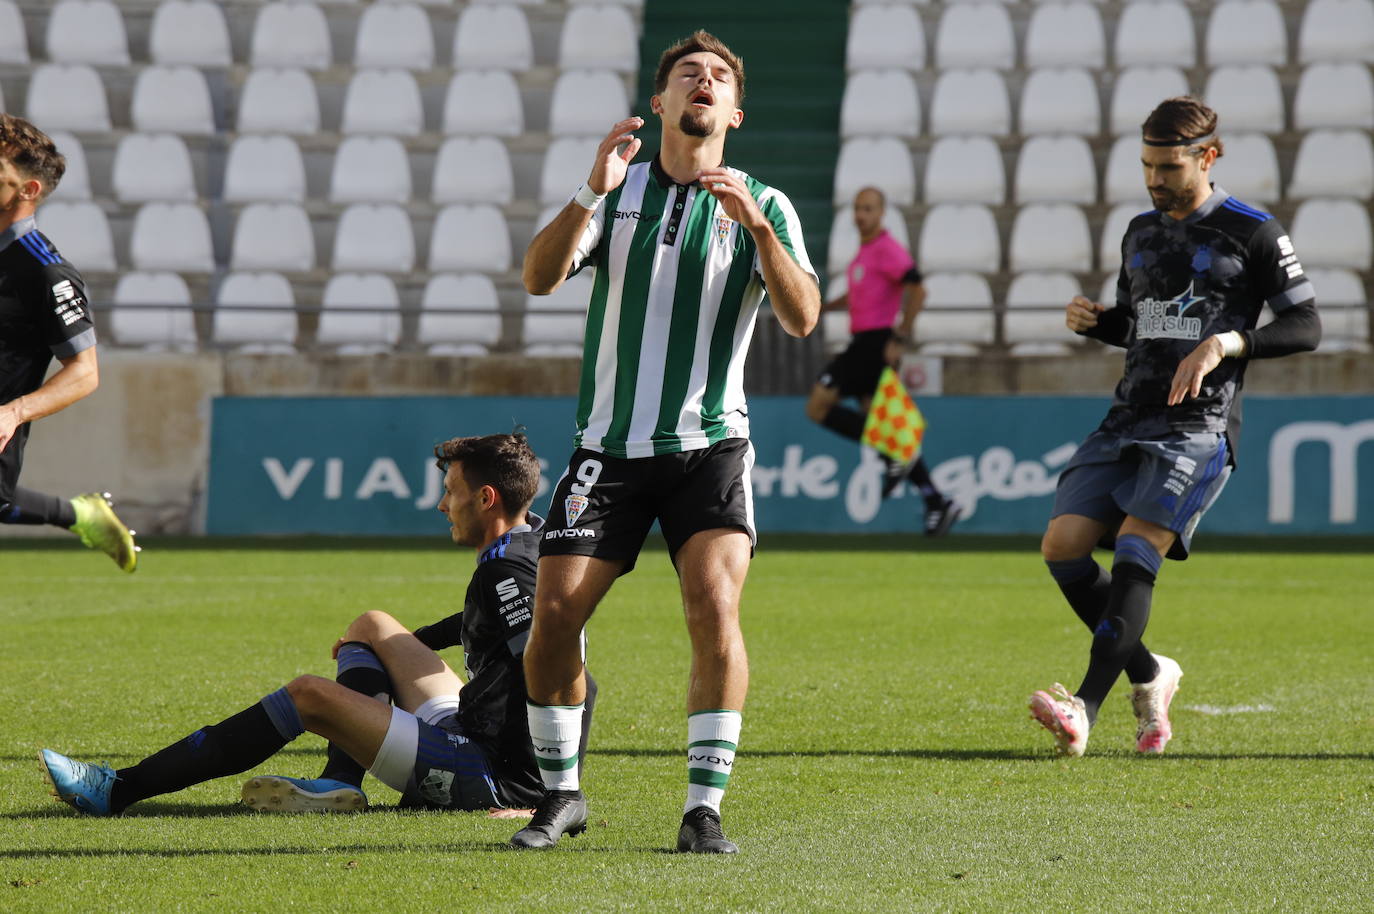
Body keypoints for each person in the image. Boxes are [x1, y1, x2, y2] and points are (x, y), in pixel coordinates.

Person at [513, 31, 820, 854]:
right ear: (661, 103)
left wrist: (758, 230)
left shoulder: (768, 201)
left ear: (736, 111)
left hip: (711, 447)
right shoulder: (616, 191)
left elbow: (801, 317)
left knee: (714, 607)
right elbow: (539, 277)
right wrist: (587, 189)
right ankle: (563, 794)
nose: (705, 83)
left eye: (719, 77)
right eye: (689, 74)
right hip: (607, 447)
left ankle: (702, 808)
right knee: (552, 618)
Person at [40, 433, 596, 816]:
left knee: (308, 695)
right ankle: (339, 782)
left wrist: (547, 793)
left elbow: (571, 674)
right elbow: (493, 626)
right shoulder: (529, 538)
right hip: (476, 732)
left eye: (449, 493)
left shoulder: (509, 572)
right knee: (371, 625)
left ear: (486, 497)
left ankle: (118, 790)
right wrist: (403, 647)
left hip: (491, 774)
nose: (440, 506)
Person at [1028, 97, 1320, 757]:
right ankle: (1152, 673)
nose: (1155, 180)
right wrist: (1100, 322)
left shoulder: (1254, 232)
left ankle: (1085, 709)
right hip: (1128, 413)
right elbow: (1143, 325)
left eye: (1168, 167)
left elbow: (1306, 326)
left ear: (1208, 157)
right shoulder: (1139, 231)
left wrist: (1226, 345)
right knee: (1063, 546)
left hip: (1199, 426)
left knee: (1135, 551)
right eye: (1146, 167)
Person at [0, 114, 137, 571]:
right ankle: (81, 514)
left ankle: (81, 514)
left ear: (27, 190)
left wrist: (14, 411)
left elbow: (84, 372)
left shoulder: (44, 272)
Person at [805, 186, 960, 536]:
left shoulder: (887, 249)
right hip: (864, 342)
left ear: (881, 213)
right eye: (858, 209)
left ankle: (900, 462)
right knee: (883, 425)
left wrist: (900, 337)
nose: (861, 215)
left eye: (868, 209)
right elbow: (863, 293)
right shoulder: (865, 252)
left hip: (873, 346)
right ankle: (935, 499)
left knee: (818, 406)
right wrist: (826, 307)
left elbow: (917, 288)